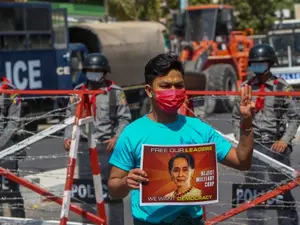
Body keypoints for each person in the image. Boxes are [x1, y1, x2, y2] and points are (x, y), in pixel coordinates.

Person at [108, 53, 254, 225]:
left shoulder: (199, 129)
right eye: (165, 86)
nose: (173, 92)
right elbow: (114, 188)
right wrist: (126, 181)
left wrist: (247, 122)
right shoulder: (132, 133)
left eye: (179, 86)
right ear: (149, 91)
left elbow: (241, 161)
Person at [232, 44, 300, 225]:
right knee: (255, 193)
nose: (258, 66)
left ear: (270, 63)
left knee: (282, 190)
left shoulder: (282, 87)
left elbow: (294, 117)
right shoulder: (246, 87)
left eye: (262, 62)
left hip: (275, 146)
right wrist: (241, 141)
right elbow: (235, 116)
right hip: (253, 147)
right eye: (255, 63)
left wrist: (285, 140)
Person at [64, 53, 132, 225]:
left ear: (104, 72)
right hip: (85, 147)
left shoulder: (115, 92)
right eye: (90, 70)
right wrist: (68, 137)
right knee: (88, 191)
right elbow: (69, 118)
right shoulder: (78, 92)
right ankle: (90, 222)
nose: (93, 73)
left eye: (97, 70)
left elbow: (124, 118)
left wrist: (117, 137)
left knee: (112, 190)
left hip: (107, 148)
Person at [0, 77, 24, 218]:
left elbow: (13, 122)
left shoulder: (10, 91)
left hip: (6, 147)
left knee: (10, 190)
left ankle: (18, 220)